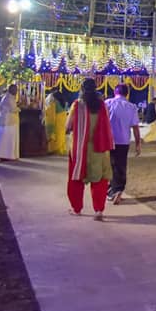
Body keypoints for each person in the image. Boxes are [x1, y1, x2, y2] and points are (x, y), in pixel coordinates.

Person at [65, 79, 115, 221]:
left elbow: (68, 126)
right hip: (99, 148)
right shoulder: (102, 105)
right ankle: (99, 210)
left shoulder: (77, 105)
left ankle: (77, 209)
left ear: (81, 89)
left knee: (76, 179)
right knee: (99, 180)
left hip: (80, 148)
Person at [105, 84, 142, 204]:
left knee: (109, 164)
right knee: (121, 165)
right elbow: (135, 127)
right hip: (123, 140)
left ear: (115, 92)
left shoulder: (107, 103)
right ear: (127, 94)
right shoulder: (131, 107)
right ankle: (118, 189)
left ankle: (111, 190)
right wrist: (138, 144)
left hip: (109, 140)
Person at [0, 84, 20, 161]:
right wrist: (20, 107)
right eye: (15, 89)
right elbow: (13, 109)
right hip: (8, 123)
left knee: (7, 139)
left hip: (9, 122)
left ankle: (8, 156)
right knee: (6, 140)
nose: (16, 91)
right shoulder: (8, 98)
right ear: (10, 90)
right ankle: (5, 156)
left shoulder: (9, 97)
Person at [44, 90, 68, 155]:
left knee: (56, 135)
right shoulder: (65, 102)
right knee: (61, 135)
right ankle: (61, 149)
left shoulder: (54, 102)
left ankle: (54, 149)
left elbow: (51, 114)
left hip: (57, 121)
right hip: (63, 121)